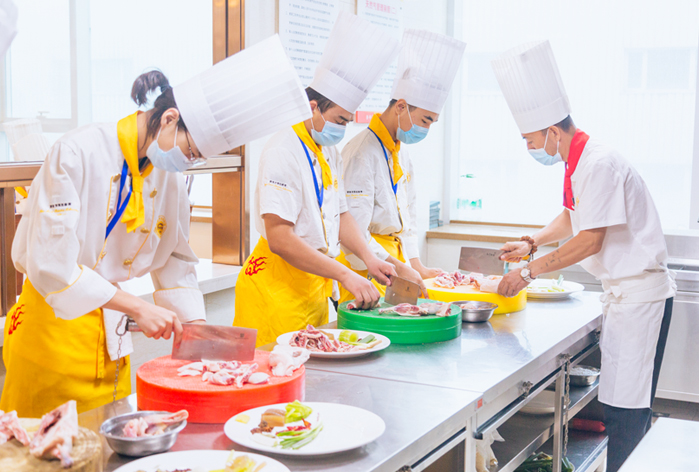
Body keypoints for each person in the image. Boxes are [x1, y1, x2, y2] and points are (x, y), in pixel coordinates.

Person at [1, 35, 312, 417]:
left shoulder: (168, 173)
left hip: (111, 333)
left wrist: (201, 333)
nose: (189, 162)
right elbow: (52, 267)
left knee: (108, 432)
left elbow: (175, 259)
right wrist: (137, 306)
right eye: (191, 151)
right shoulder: (77, 152)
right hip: (50, 329)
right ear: (168, 119)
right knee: (47, 441)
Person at [491, 40, 676, 472]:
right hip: (625, 298)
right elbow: (573, 216)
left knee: (627, 413)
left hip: (641, 299)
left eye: (530, 139)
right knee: (616, 405)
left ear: (552, 132)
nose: (529, 147)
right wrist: (533, 243)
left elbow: (590, 239)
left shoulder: (598, 164)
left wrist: (527, 272)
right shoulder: (579, 162)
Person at [233, 12, 400, 346]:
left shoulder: (327, 151)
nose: (343, 128)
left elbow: (341, 214)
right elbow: (280, 238)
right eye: (340, 119)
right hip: (276, 289)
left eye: (348, 120)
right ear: (313, 108)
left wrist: (369, 258)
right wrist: (345, 273)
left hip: (313, 285)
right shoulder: (283, 149)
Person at [338, 29, 466, 302]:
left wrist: (416, 264)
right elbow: (354, 231)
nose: (426, 129)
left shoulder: (400, 153)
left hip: (395, 264)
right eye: (425, 120)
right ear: (401, 107)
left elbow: (408, 217)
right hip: (364, 267)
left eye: (432, 123)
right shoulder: (361, 153)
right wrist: (397, 266)